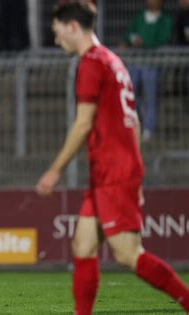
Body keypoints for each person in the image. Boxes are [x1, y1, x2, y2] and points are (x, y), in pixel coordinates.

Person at [36, 3, 189, 315]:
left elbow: (82, 123)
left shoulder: (91, 63)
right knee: (83, 245)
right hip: (115, 168)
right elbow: (133, 120)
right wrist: (137, 171)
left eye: (56, 31)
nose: (56, 39)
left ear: (72, 27)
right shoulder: (112, 60)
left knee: (128, 254)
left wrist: (54, 170)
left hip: (113, 170)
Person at [121, 0, 172, 142]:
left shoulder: (165, 20)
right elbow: (129, 34)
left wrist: (144, 42)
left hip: (152, 63)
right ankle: (136, 122)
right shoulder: (139, 17)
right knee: (130, 94)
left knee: (151, 97)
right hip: (136, 61)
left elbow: (163, 39)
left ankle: (149, 129)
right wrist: (128, 41)